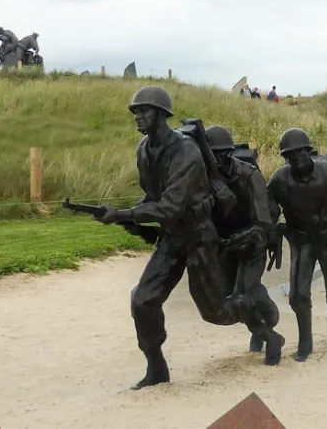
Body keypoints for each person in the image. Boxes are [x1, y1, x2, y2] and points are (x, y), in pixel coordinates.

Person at [95, 86, 233, 390]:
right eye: (135, 111)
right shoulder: (143, 150)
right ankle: (157, 368)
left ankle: (259, 318)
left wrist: (122, 214)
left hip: (198, 235)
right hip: (172, 237)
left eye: (144, 111)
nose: (138, 116)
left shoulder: (186, 150)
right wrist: (128, 217)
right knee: (142, 300)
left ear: (161, 114)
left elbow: (170, 206)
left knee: (214, 312)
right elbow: (153, 196)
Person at [266, 128, 327, 362]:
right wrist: (274, 232)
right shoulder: (280, 180)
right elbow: (267, 210)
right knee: (298, 295)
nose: (296, 157)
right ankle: (305, 342)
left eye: (300, 152)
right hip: (302, 242)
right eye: (290, 154)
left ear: (309, 152)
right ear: (285, 158)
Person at [204, 125, 286, 365]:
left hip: (253, 243)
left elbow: (263, 220)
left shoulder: (249, 175)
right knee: (223, 300)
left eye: (220, 154)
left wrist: (242, 239)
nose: (216, 159)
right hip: (225, 246)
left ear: (229, 152)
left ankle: (270, 334)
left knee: (243, 294)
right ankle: (260, 328)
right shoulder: (204, 178)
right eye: (211, 154)